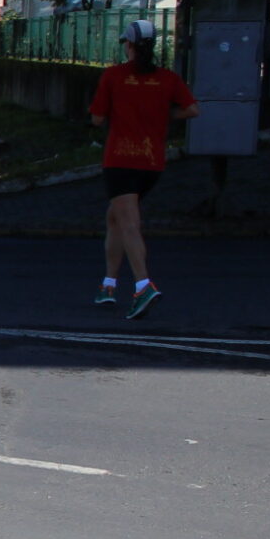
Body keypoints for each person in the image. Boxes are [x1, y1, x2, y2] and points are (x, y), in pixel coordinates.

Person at [90, 18, 199, 319]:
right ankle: (108, 285)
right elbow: (192, 109)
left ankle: (143, 285)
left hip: (120, 161)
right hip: (152, 162)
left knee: (128, 224)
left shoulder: (113, 77)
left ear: (128, 45)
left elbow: (97, 119)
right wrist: (162, 115)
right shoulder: (168, 79)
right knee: (115, 219)